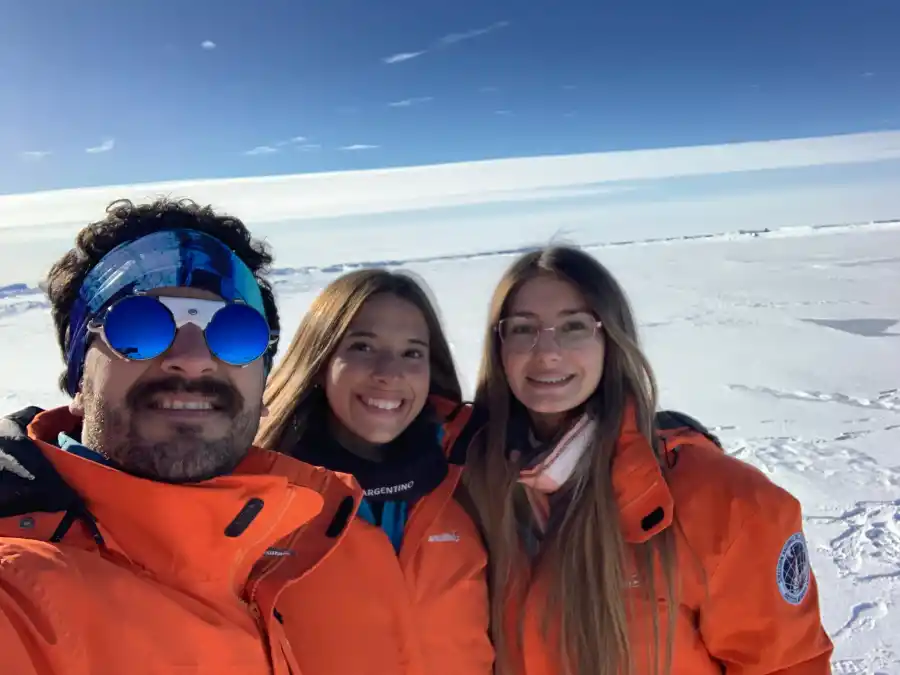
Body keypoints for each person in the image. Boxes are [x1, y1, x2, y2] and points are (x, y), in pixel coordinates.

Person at [0, 198, 363, 674]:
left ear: (263, 382)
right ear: (77, 382)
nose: (192, 358)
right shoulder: (23, 592)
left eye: (233, 332)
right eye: (140, 326)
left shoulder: (276, 553)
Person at [459, 245, 834, 675]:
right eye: (524, 329)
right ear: (499, 346)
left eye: (574, 327)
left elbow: (786, 666)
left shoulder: (727, 502)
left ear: (611, 340)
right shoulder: (471, 488)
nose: (547, 352)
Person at [254, 268, 494, 675]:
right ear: (321, 356)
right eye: (363, 347)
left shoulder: (469, 478)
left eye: (412, 352)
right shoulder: (257, 499)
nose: (390, 373)